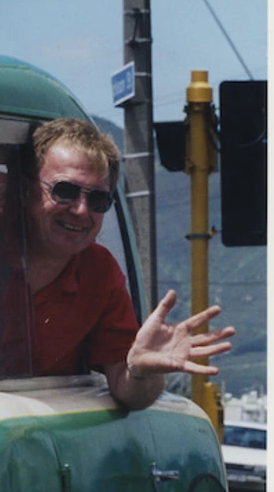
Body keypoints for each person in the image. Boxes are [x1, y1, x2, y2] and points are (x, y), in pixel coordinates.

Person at [19, 117, 234, 409]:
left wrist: (142, 370)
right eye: (65, 191)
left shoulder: (98, 271)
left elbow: (127, 388)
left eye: (98, 200)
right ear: (26, 189)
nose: (81, 210)